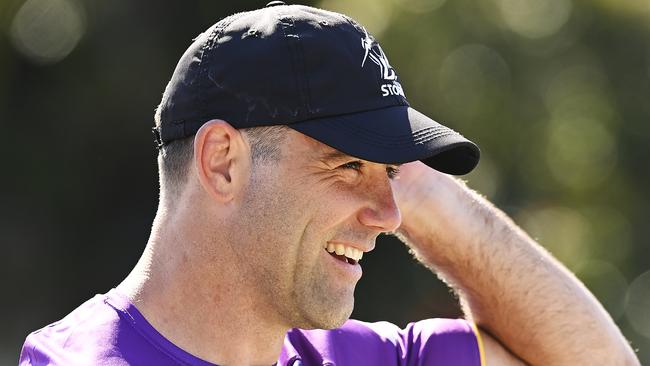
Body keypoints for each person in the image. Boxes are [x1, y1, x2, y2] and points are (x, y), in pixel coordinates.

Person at [19, 3, 639, 366]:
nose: (388, 215)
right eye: (346, 164)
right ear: (222, 163)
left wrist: (426, 199)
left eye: (389, 172)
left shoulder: (351, 355)